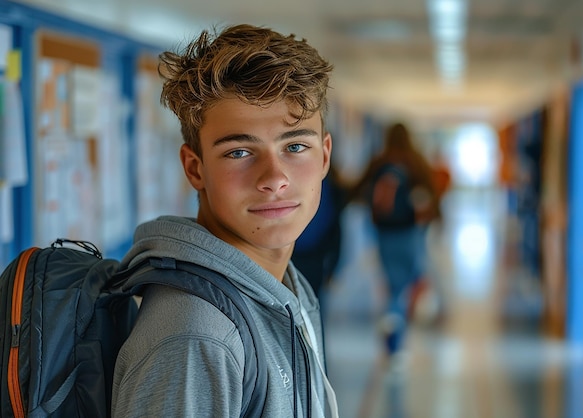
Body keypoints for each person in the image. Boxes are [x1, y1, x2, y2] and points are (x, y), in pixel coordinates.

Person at [112, 24, 338, 418]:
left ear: (324, 156)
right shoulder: (197, 336)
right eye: (239, 152)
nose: (273, 178)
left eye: (296, 146)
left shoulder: (284, 288)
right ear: (195, 169)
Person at [349, 122, 438, 356]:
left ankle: (393, 323)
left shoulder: (379, 161)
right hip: (411, 233)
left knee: (392, 282)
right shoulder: (416, 162)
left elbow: (357, 190)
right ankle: (396, 324)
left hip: (383, 233)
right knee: (411, 278)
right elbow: (432, 196)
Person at [291, 164, 347, 299]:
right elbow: (334, 228)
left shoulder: (327, 185)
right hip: (314, 254)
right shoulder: (331, 183)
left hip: (297, 252)